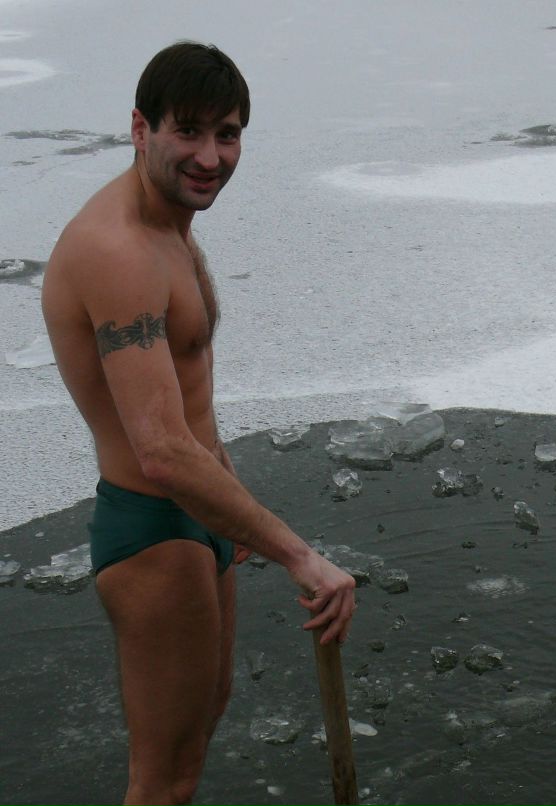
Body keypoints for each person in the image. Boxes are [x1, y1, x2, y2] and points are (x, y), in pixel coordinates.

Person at [41, 42, 357, 805]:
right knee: (163, 782)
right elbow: (158, 452)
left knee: (199, 731)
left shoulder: (171, 223)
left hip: (200, 517)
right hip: (156, 532)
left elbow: (187, 405)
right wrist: (300, 557)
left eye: (228, 133)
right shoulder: (116, 251)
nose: (211, 157)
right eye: (189, 132)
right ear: (140, 129)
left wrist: (235, 511)